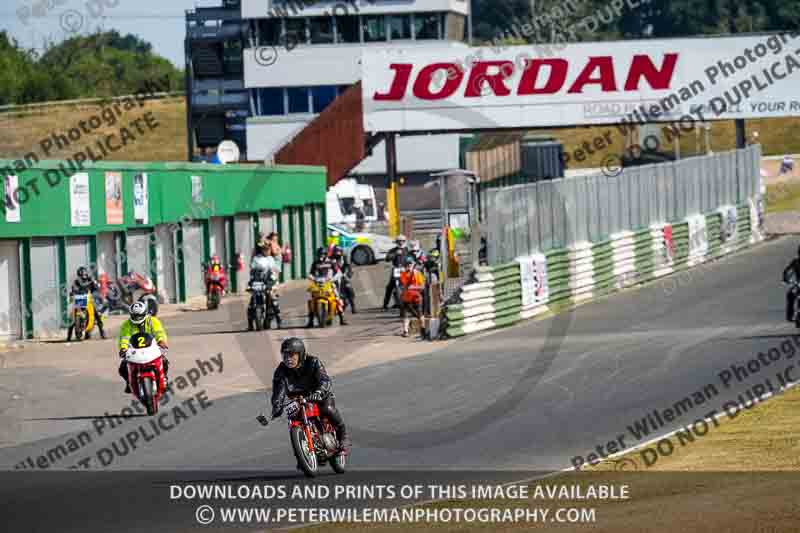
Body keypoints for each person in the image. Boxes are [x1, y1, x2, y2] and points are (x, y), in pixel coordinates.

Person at [270, 337, 350, 460]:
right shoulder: (281, 371)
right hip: (298, 398)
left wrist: (320, 391)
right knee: (293, 418)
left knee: (327, 409)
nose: (288, 359)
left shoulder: (313, 362)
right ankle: (301, 453)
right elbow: (278, 391)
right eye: (285, 355)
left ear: (300, 354)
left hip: (318, 393)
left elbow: (324, 379)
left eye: (292, 355)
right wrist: (277, 405)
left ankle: (343, 435)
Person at [117, 301, 169, 393]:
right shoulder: (126, 325)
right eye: (135, 316)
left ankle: (164, 378)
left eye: (139, 315)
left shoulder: (153, 321)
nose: (137, 318)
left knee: (164, 361)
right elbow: (124, 338)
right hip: (134, 351)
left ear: (145, 313)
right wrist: (123, 348)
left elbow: (159, 332)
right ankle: (129, 382)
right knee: (122, 367)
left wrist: (161, 340)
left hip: (151, 349)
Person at [307, 247, 347, 326]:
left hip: (329, 282)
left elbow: (338, 272)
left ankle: (342, 318)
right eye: (319, 254)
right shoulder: (315, 263)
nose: (320, 256)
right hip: (318, 283)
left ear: (326, 254)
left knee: (337, 298)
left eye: (322, 254)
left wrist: (333, 279)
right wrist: (312, 278)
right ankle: (310, 320)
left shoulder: (331, 262)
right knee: (311, 299)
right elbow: (311, 273)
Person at [69, 266, 106, 339]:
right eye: (81, 275)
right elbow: (73, 289)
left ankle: (102, 331)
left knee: (97, 314)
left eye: (84, 275)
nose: (83, 277)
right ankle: (69, 336)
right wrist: (72, 294)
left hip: (88, 298)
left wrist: (95, 287)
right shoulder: (76, 282)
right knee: (71, 316)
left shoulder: (90, 280)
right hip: (80, 299)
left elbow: (96, 288)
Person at [398, 256, 426, 337]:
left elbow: (422, 287)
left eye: (410, 264)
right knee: (405, 315)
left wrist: (413, 287)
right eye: (407, 264)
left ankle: (423, 329)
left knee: (420, 314)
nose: (408, 266)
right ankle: (405, 331)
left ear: (412, 264)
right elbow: (402, 285)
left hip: (416, 297)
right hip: (406, 298)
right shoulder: (403, 274)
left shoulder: (417, 274)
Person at [383, 235, 409, 310]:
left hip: (406, 270)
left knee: (408, 285)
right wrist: (395, 254)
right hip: (396, 269)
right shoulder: (393, 250)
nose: (401, 242)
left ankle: (408, 302)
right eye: (399, 241)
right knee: (389, 287)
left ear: (405, 241)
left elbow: (413, 258)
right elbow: (387, 258)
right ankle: (385, 304)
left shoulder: (408, 250)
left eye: (402, 241)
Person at [330, 245, 356, 314]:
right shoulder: (330, 259)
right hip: (333, 277)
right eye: (336, 251)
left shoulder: (344, 258)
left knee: (349, 288)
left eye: (339, 251)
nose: (337, 253)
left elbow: (349, 267)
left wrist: (349, 274)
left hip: (343, 276)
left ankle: (353, 306)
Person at [783, 246, 800, 321]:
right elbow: (787, 270)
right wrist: (785, 279)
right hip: (798, 284)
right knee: (790, 295)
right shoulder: (795, 261)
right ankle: (790, 315)